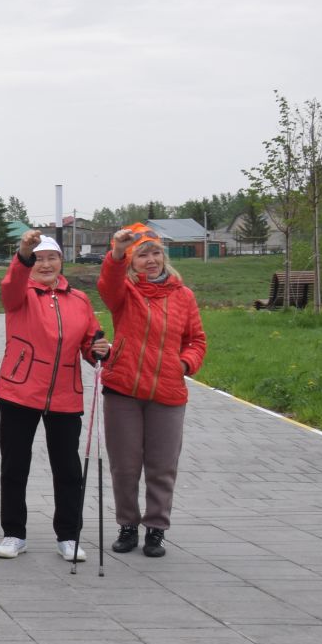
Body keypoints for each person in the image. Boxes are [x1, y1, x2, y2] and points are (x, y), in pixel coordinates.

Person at [0, 229, 110, 562]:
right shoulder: (19, 293)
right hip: (19, 391)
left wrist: (99, 350)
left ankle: (69, 536)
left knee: (68, 469)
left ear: (62, 261)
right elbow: (9, 284)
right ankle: (14, 534)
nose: (45, 264)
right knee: (15, 466)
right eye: (39, 258)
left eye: (52, 257)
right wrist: (22, 253)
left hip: (64, 395)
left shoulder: (80, 300)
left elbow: (90, 344)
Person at [99, 224, 206, 558]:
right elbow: (108, 282)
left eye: (155, 252)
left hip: (168, 392)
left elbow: (196, 340)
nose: (150, 260)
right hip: (123, 391)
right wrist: (116, 252)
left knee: (162, 465)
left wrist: (185, 364)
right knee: (125, 465)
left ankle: (156, 528)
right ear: (131, 262)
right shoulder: (124, 292)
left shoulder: (183, 296)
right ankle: (128, 525)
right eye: (142, 254)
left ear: (164, 256)